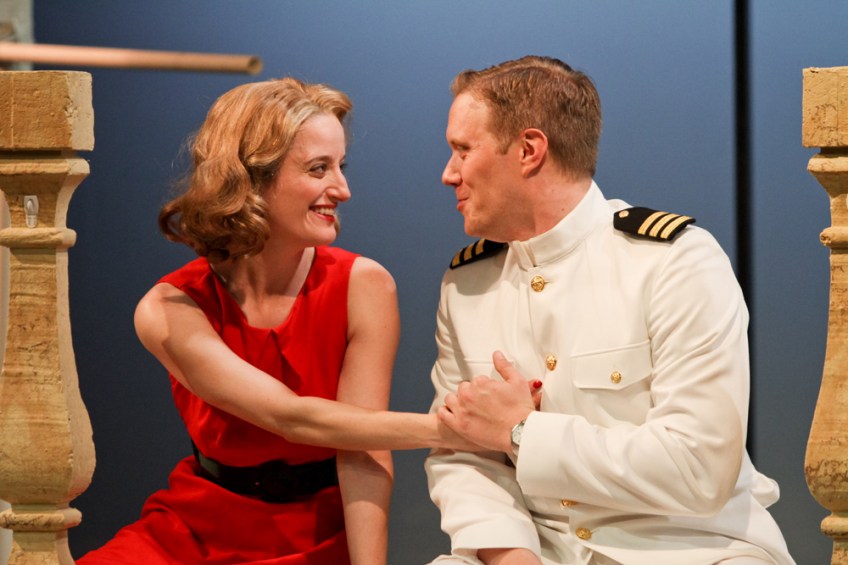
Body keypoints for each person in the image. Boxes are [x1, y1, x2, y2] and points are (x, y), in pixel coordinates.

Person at [77, 77, 477, 565]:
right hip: (195, 530)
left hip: (316, 535)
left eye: (341, 167)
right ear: (251, 178)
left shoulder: (364, 286)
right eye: (318, 169)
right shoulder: (168, 308)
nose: (343, 189)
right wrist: (449, 430)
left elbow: (361, 449)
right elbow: (287, 416)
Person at [425, 56, 795, 565]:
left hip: (690, 546)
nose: (448, 174)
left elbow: (699, 468)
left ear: (529, 151)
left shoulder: (675, 262)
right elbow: (462, 456)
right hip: (532, 550)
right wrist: (513, 557)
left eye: (463, 150)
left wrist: (522, 433)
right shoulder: (465, 285)